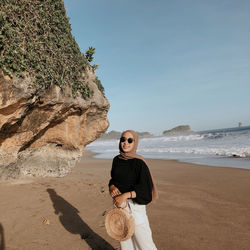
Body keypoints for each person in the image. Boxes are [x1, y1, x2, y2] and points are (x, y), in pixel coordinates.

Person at [108, 130, 158, 250]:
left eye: (130, 140)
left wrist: (125, 195)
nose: (125, 143)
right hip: (120, 206)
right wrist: (112, 187)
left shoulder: (139, 163)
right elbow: (113, 179)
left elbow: (146, 190)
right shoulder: (116, 160)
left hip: (135, 207)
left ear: (135, 142)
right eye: (123, 139)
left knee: (145, 244)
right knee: (125, 243)